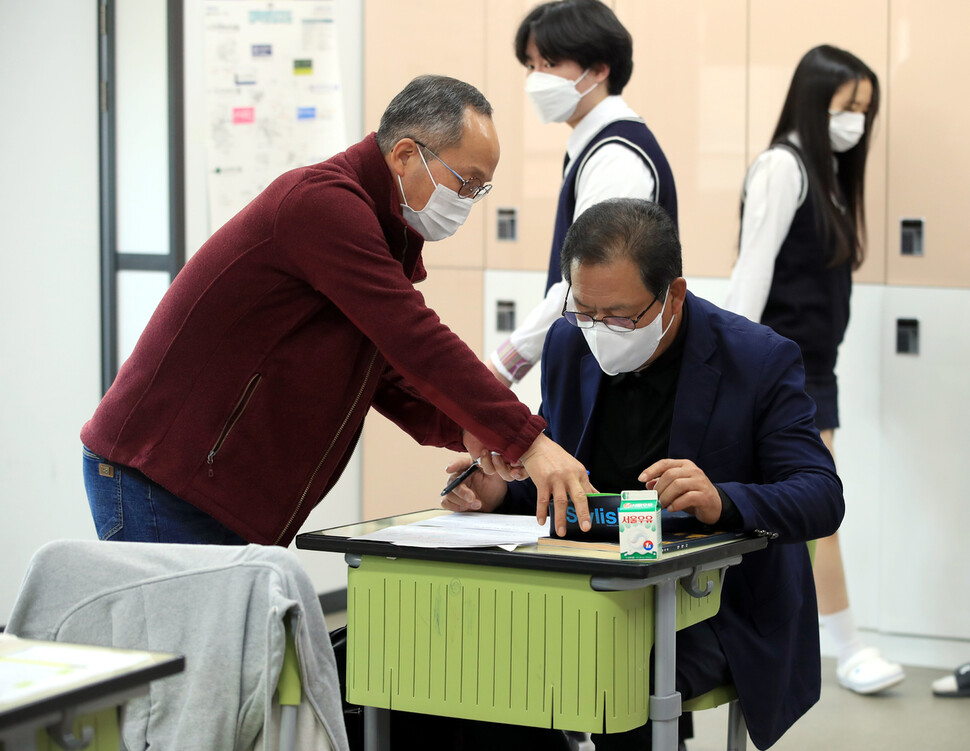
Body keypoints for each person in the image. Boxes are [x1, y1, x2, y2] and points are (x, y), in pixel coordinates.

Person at [80, 74, 594, 548]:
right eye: (465, 182)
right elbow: (414, 338)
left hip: (205, 482)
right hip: (160, 475)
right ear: (406, 154)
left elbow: (383, 369)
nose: (468, 199)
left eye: (479, 189)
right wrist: (525, 438)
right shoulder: (322, 205)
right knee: (186, 650)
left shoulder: (382, 230)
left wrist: (465, 428)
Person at [444, 198, 845, 750]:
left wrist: (721, 500)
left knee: (614, 673)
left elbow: (821, 496)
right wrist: (498, 492)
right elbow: (573, 487)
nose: (601, 329)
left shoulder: (757, 359)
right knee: (471, 658)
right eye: (585, 310)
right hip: (598, 584)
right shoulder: (569, 341)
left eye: (621, 316)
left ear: (672, 295)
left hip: (717, 604)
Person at [722, 45, 903, 696]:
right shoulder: (782, 167)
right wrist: (730, 370)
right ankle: (845, 645)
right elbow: (752, 275)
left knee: (801, 512)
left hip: (814, 368)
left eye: (864, 109)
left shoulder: (826, 174)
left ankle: (823, 642)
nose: (855, 120)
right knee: (815, 509)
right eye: (846, 105)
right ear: (813, 97)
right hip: (782, 369)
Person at [487, 0, 677, 386]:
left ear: (599, 69)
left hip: (614, 371)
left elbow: (582, 284)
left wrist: (504, 365)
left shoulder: (617, 158)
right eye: (531, 65)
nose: (536, 78)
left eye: (550, 64)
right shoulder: (594, 147)